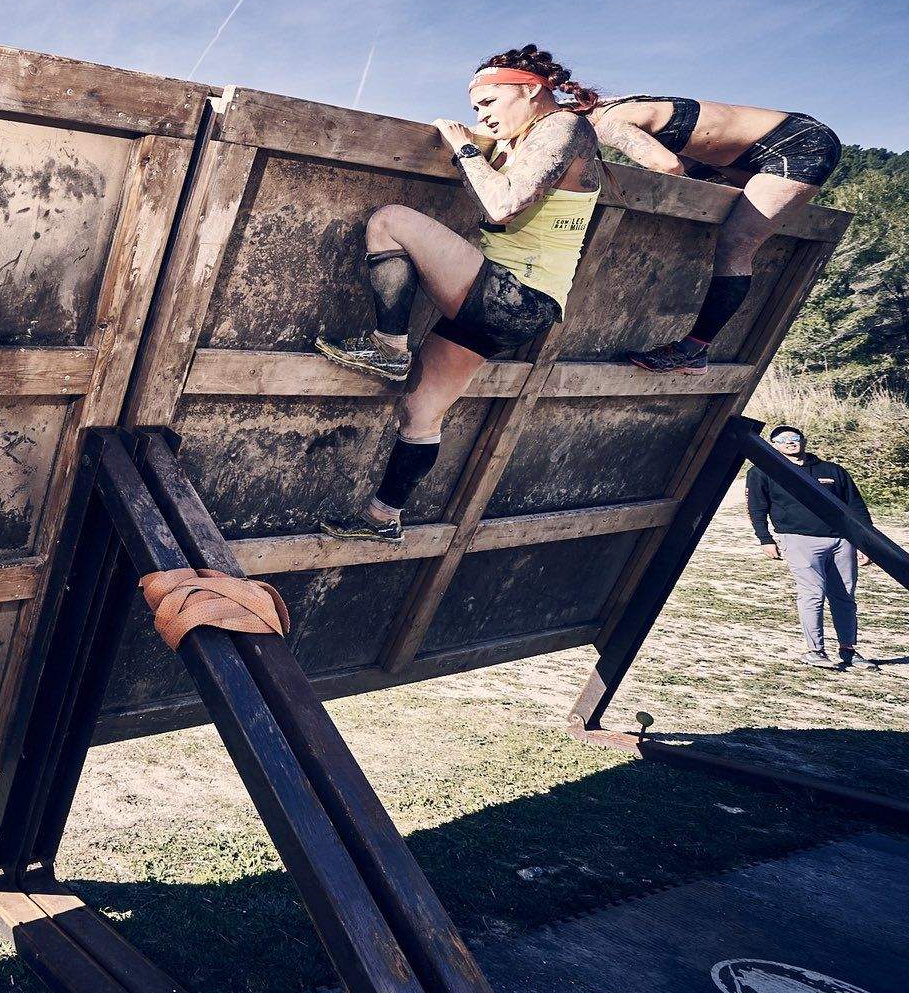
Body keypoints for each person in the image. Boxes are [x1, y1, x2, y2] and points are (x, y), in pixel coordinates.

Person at [316, 46, 602, 543]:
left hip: (514, 294)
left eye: (489, 101)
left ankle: (388, 348)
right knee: (420, 412)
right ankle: (383, 520)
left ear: (530, 90)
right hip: (509, 306)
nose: (482, 114)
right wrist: (483, 143)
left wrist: (464, 146)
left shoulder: (564, 127)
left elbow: (503, 206)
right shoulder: (524, 139)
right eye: (475, 108)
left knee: (390, 221)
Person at [592, 93, 841, 374]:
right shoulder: (625, 105)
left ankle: (693, 350)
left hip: (798, 148)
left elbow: (667, 166)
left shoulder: (610, 122)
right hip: (764, 145)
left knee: (736, 245)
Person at [747, 424, 881, 670]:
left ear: (804, 440)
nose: (790, 442)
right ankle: (815, 651)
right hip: (798, 540)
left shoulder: (832, 470)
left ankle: (848, 650)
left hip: (842, 541)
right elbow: (756, 508)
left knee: (845, 596)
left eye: (795, 437)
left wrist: (866, 543)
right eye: (782, 439)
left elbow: (856, 506)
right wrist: (765, 538)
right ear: (773, 445)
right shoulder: (762, 472)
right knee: (813, 594)